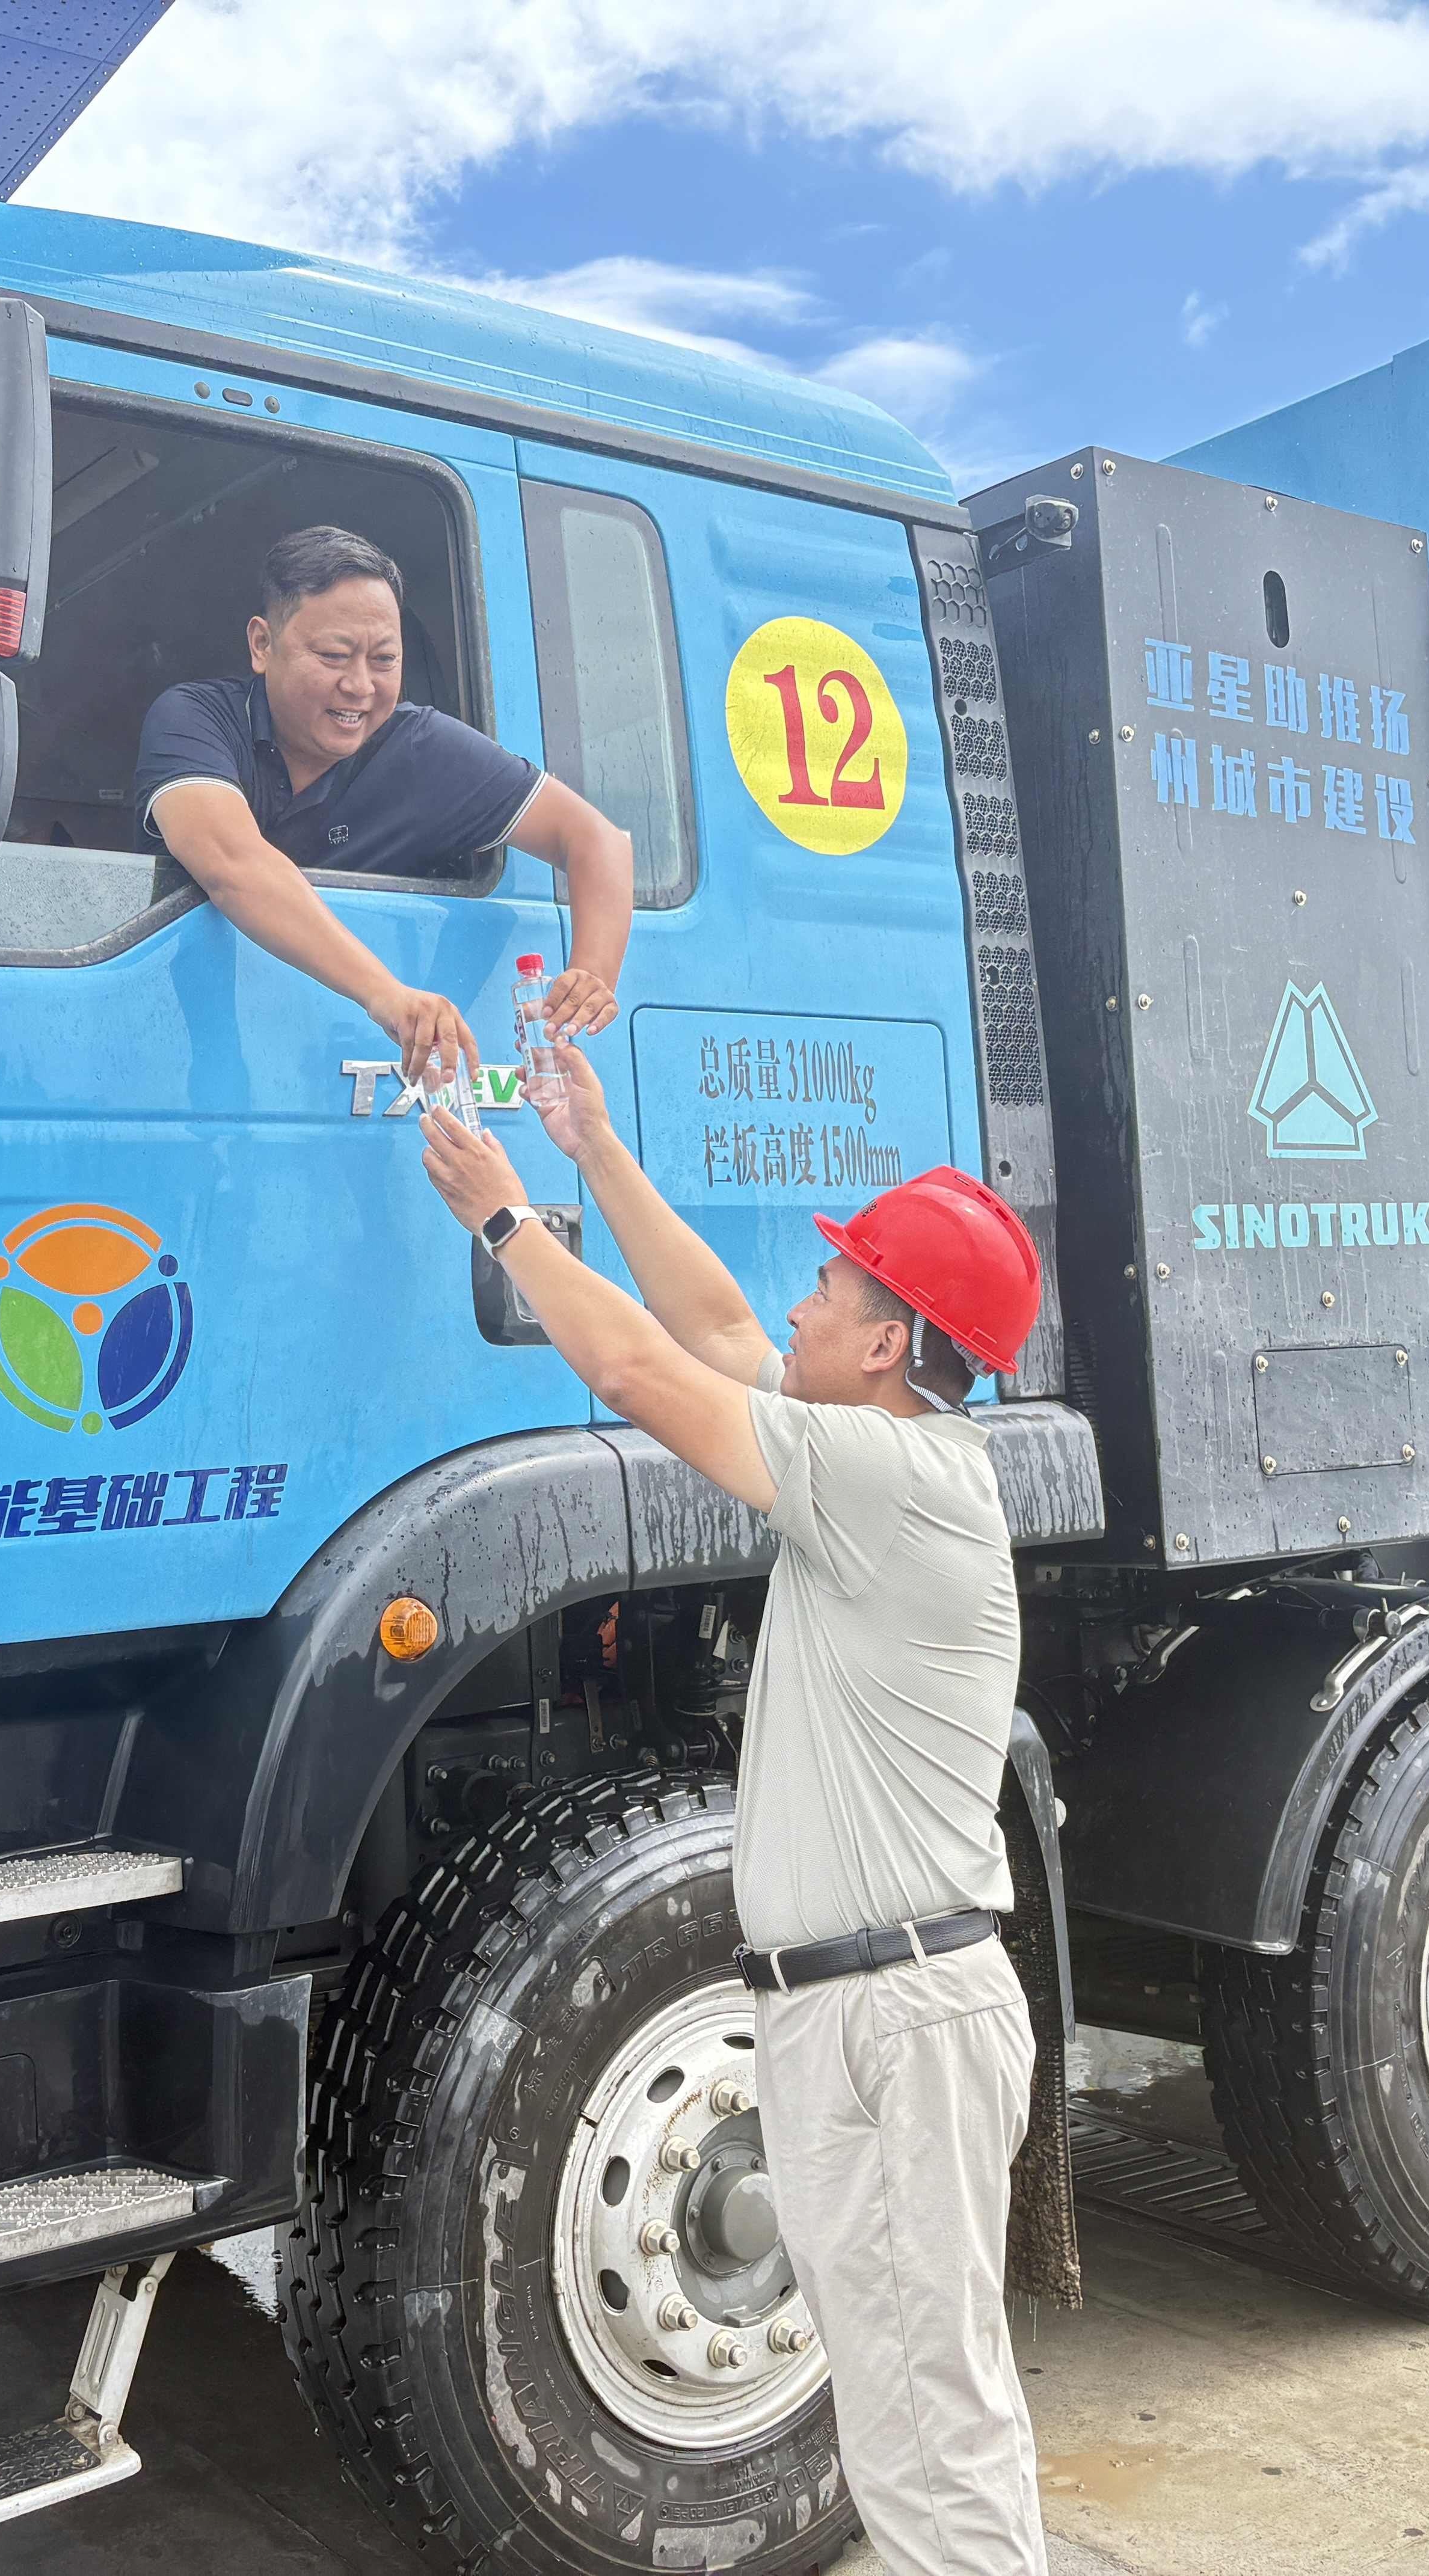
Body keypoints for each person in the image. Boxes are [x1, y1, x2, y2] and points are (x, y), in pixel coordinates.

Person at [414, 1048, 1049, 2576]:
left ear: (889, 1342)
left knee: (933, 2417)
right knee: (901, 2412)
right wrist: (597, 1148)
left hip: (898, 2015)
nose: (798, 1310)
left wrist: (508, 1222)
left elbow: (643, 1377)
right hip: (865, 2009)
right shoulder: (876, 1452)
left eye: (829, 1291)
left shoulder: (893, 1476)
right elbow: (705, 1333)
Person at [134, 524, 635, 1085]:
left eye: (384, 659)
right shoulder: (195, 720)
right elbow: (233, 864)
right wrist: (388, 996)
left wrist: (591, 975)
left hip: (340, 1066)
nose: (360, 686)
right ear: (262, 644)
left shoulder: (422, 749)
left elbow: (598, 840)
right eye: (333, 655)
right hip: (174, 1045)